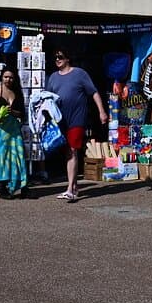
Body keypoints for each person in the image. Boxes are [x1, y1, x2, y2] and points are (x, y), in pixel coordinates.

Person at [46, 48, 107, 202]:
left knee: (72, 150)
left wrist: (101, 112)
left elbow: (93, 92)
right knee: (68, 152)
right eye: (55, 57)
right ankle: (74, 187)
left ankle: (69, 189)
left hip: (77, 119)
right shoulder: (53, 77)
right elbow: (47, 98)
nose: (57, 60)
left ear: (68, 59)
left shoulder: (79, 74)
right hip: (60, 120)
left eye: (60, 57)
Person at [0, 67, 27, 198]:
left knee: (17, 156)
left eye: (11, 77)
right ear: (1, 77)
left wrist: (12, 112)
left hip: (13, 129)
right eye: (6, 77)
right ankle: (2, 188)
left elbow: (22, 113)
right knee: (0, 158)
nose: (8, 80)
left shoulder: (17, 92)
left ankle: (21, 185)